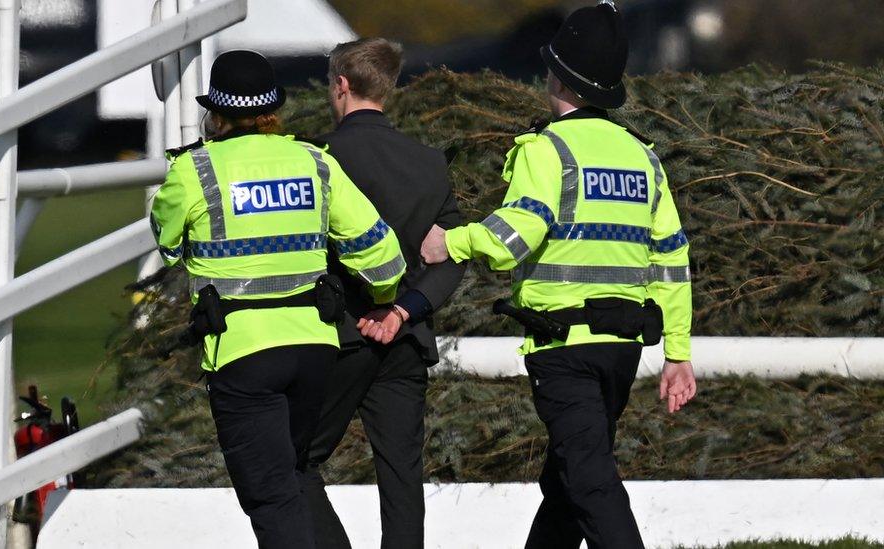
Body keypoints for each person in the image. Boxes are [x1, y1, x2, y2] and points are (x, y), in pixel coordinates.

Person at [420, 2, 697, 547]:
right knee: (568, 480)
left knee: (589, 481)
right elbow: (670, 260)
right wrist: (679, 353)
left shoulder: (548, 150)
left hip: (564, 348)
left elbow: (511, 240)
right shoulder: (643, 158)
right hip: (621, 349)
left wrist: (448, 243)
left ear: (558, 77)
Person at [150, 50, 405, 549]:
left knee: (271, 498)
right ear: (273, 111)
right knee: (293, 479)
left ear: (215, 113)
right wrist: (383, 299)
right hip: (315, 350)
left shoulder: (195, 171)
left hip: (241, 355)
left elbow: (169, 245)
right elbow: (383, 254)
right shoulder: (314, 161)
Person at [300, 38, 466, 549]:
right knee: (401, 477)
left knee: (293, 460)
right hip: (406, 337)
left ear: (341, 85)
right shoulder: (428, 162)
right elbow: (450, 255)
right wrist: (405, 308)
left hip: (340, 336)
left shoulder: (319, 159)